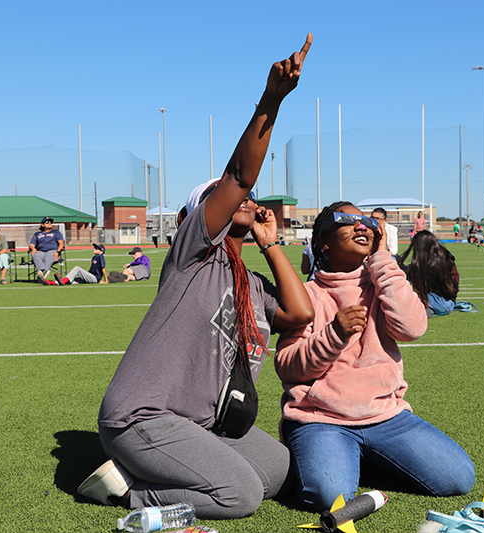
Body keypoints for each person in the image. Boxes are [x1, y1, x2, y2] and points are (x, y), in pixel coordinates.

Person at [77, 34, 315, 520]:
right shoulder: (194, 257)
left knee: (277, 470)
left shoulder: (247, 280)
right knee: (241, 495)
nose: (246, 200)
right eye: (227, 200)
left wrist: (270, 244)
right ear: (203, 214)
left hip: (199, 425)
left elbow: (300, 312)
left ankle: (168, 469)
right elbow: (238, 176)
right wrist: (272, 99)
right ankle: (129, 492)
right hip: (141, 418)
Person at [275, 201, 475, 513]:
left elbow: (412, 328)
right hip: (323, 419)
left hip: (386, 416)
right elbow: (288, 367)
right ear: (323, 242)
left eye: (367, 222)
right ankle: (323, 452)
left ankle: (357, 458)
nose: (362, 226)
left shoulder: (384, 282)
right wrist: (333, 335)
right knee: (329, 498)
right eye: (348, 220)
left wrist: (382, 259)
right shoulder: (307, 294)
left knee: (458, 478)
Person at [397, 230, 460, 316]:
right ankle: (426, 309)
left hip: (442, 302)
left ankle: (424, 310)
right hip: (447, 302)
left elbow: (412, 275)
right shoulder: (443, 256)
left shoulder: (433, 264)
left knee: (407, 298)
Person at [28, 217, 65, 284]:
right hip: (41, 251)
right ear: (42, 224)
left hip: (52, 251)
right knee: (35, 255)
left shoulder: (56, 232)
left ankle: (42, 276)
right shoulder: (37, 234)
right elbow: (31, 244)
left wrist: (57, 252)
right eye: (47, 222)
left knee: (47, 258)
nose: (50, 223)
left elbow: (61, 243)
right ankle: (42, 271)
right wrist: (33, 248)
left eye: (51, 222)